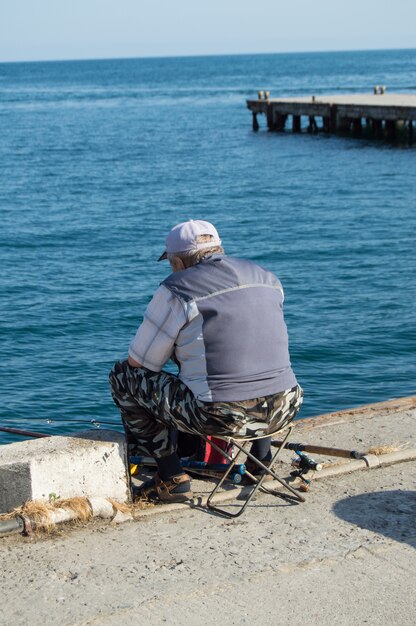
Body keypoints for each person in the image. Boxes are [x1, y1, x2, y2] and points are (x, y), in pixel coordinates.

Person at [109, 219, 303, 503]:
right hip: (287, 407)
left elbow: (139, 363)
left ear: (177, 261)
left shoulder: (177, 288)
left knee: (123, 378)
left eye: (170, 262)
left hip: (223, 417)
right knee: (257, 368)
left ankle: (170, 476)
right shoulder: (266, 277)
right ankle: (259, 462)